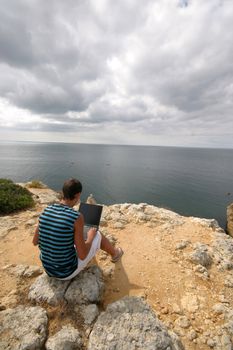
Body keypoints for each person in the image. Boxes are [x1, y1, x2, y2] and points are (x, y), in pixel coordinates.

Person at [32, 178, 123, 280]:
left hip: (48, 269)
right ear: (78, 195)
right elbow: (82, 255)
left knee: (74, 237)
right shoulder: (76, 217)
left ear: (63, 192)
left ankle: (108, 252)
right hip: (66, 272)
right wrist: (90, 238)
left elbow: (35, 241)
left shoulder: (46, 210)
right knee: (96, 234)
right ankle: (115, 254)